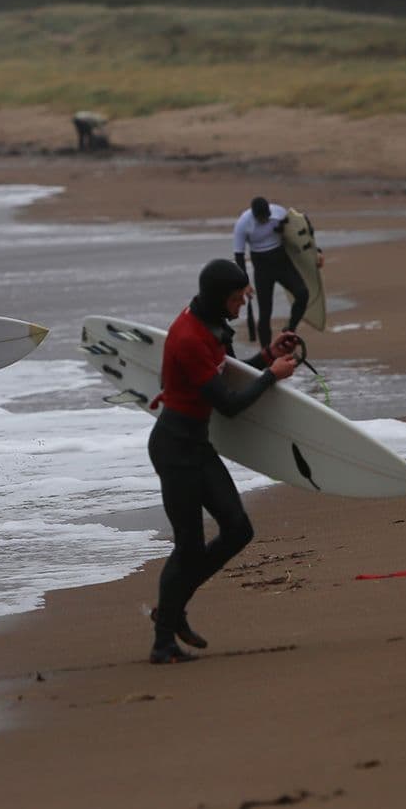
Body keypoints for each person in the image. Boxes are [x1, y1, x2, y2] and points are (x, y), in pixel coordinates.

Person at [147, 259, 299, 663]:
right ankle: (163, 642)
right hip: (176, 448)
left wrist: (267, 357)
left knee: (237, 529)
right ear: (219, 298)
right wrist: (272, 377)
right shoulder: (189, 337)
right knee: (189, 546)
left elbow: (222, 376)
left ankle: (172, 607)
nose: (243, 302)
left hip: (196, 444)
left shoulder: (208, 324)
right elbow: (229, 405)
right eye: (237, 296)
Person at [233, 195, 310, 353]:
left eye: (267, 217)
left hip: (281, 260)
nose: (265, 220)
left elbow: (301, 231)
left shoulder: (278, 213)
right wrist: (244, 283)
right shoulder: (243, 224)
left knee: (302, 293)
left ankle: (290, 329)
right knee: (265, 312)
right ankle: (266, 354)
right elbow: (239, 255)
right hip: (261, 266)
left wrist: (316, 254)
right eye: (262, 219)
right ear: (254, 216)